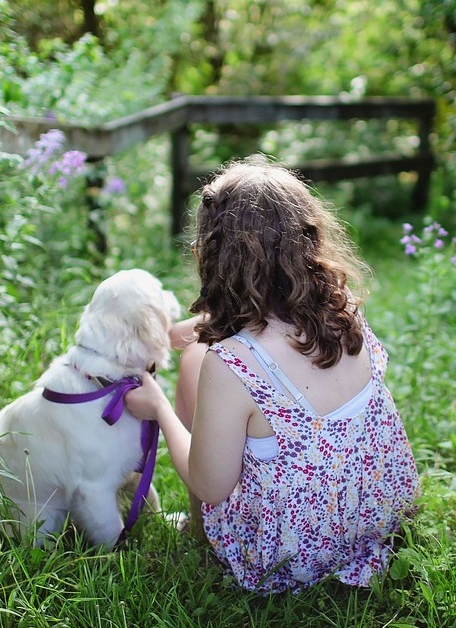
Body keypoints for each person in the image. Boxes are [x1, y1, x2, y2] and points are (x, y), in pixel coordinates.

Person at [125, 156, 419, 594]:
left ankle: (200, 533)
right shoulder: (345, 313)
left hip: (288, 553)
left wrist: (161, 410)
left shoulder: (229, 365)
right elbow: (265, 334)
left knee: (193, 362)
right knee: (198, 353)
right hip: (375, 517)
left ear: (207, 257)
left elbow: (211, 485)